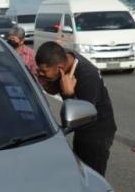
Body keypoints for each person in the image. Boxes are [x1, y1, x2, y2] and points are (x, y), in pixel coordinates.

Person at [35, 42, 116, 175]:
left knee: (92, 176)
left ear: (60, 67)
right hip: (82, 130)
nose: (41, 74)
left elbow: (83, 117)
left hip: (97, 132)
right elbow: (53, 87)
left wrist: (69, 94)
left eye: (44, 71)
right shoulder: (63, 58)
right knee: (79, 171)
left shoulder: (87, 76)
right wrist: (44, 79)